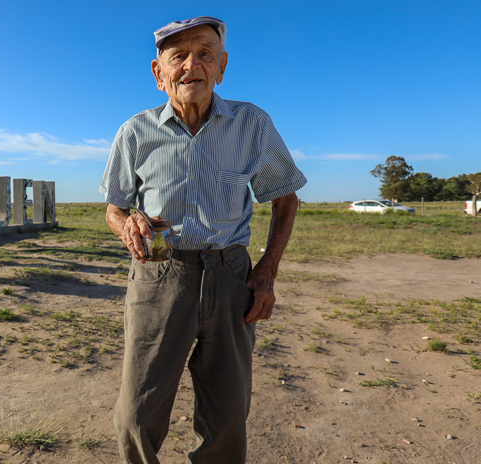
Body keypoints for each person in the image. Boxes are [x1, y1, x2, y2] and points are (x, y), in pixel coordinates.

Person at [99, 16, 306, 464]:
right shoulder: (136, 131)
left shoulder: (251, 124)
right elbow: (115, 206)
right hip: (159, 276)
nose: (192, 64)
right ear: (159, 73)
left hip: (231, 277)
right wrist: (126, 225)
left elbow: (285, 200)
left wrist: (266, 272)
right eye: (179, 57)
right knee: (136, 413)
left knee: (227, 417)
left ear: (222, 66)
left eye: (205, 53)